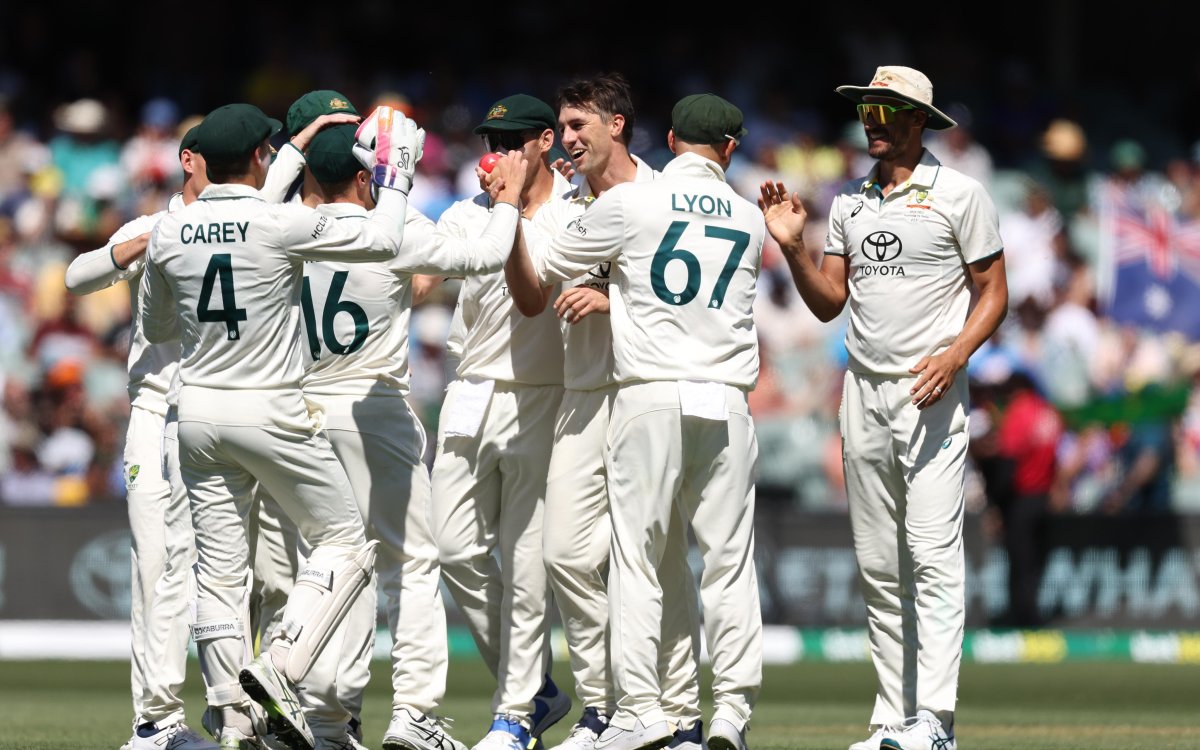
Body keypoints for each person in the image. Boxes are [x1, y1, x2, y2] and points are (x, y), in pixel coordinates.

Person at [138, 102, 423, 750]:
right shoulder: (279, 221)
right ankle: (281, 665)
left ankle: (233, 719)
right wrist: (398, 175)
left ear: (202, 162)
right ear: (262, 158)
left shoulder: (170, 230)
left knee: (219, 573)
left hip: (199, 413)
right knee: (346, 541)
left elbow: (155, 329)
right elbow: (381, 240)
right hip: (271, 408)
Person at [758, 66, 1008, 750]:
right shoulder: (849, 204)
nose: (871, 117)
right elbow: (829, 301)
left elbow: (994, 294)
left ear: (919, 120)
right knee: (878, 564)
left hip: (929, 388)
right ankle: (894, 719)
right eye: (867, 106)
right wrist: (790, 249)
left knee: (931, 554)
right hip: (861, 395)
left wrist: (954, 357)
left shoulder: (961, 193)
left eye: (887, 108)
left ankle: (936, 720)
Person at [514, 93, 765, 750]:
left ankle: (644, 711)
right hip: (727, 399)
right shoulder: (749, 217)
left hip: (648, 392)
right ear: (731, 150)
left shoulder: (629, 204)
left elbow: (543, 270)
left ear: (672, 138)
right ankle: (732, 712)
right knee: (728, 562)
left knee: (638, 559)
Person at [292, 123, 527, 750]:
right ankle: (415, 714)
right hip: (373, 408)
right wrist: (506, 200)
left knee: (333, 568)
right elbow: (480, 258)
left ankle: (325, 719)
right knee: (411, 565)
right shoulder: (389, 229)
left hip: (302, 412)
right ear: (368, 176)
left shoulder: (284, 229)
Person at [428, 93, 573, 750]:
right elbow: (426, 276)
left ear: (545, 141)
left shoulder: (578, 213)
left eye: (514, 141)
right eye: (493, 141)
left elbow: (535, 298)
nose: (500, 154)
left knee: (524, 563)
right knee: (454, 548)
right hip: (469, 393)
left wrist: (511, 210)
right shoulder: (467, 214)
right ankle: (536, 687)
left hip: (544, 397)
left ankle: (513, 714)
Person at [65, 127, 217, 750]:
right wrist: (141, 245)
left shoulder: (261, 220)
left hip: (232, 416)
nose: (249, 167)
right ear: (188, 161)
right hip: (158, 414)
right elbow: (78, 277)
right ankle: (155, 723)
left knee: (243, 575)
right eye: (234, 157)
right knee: (158, 569)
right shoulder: (157, 222)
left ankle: (236, 713)